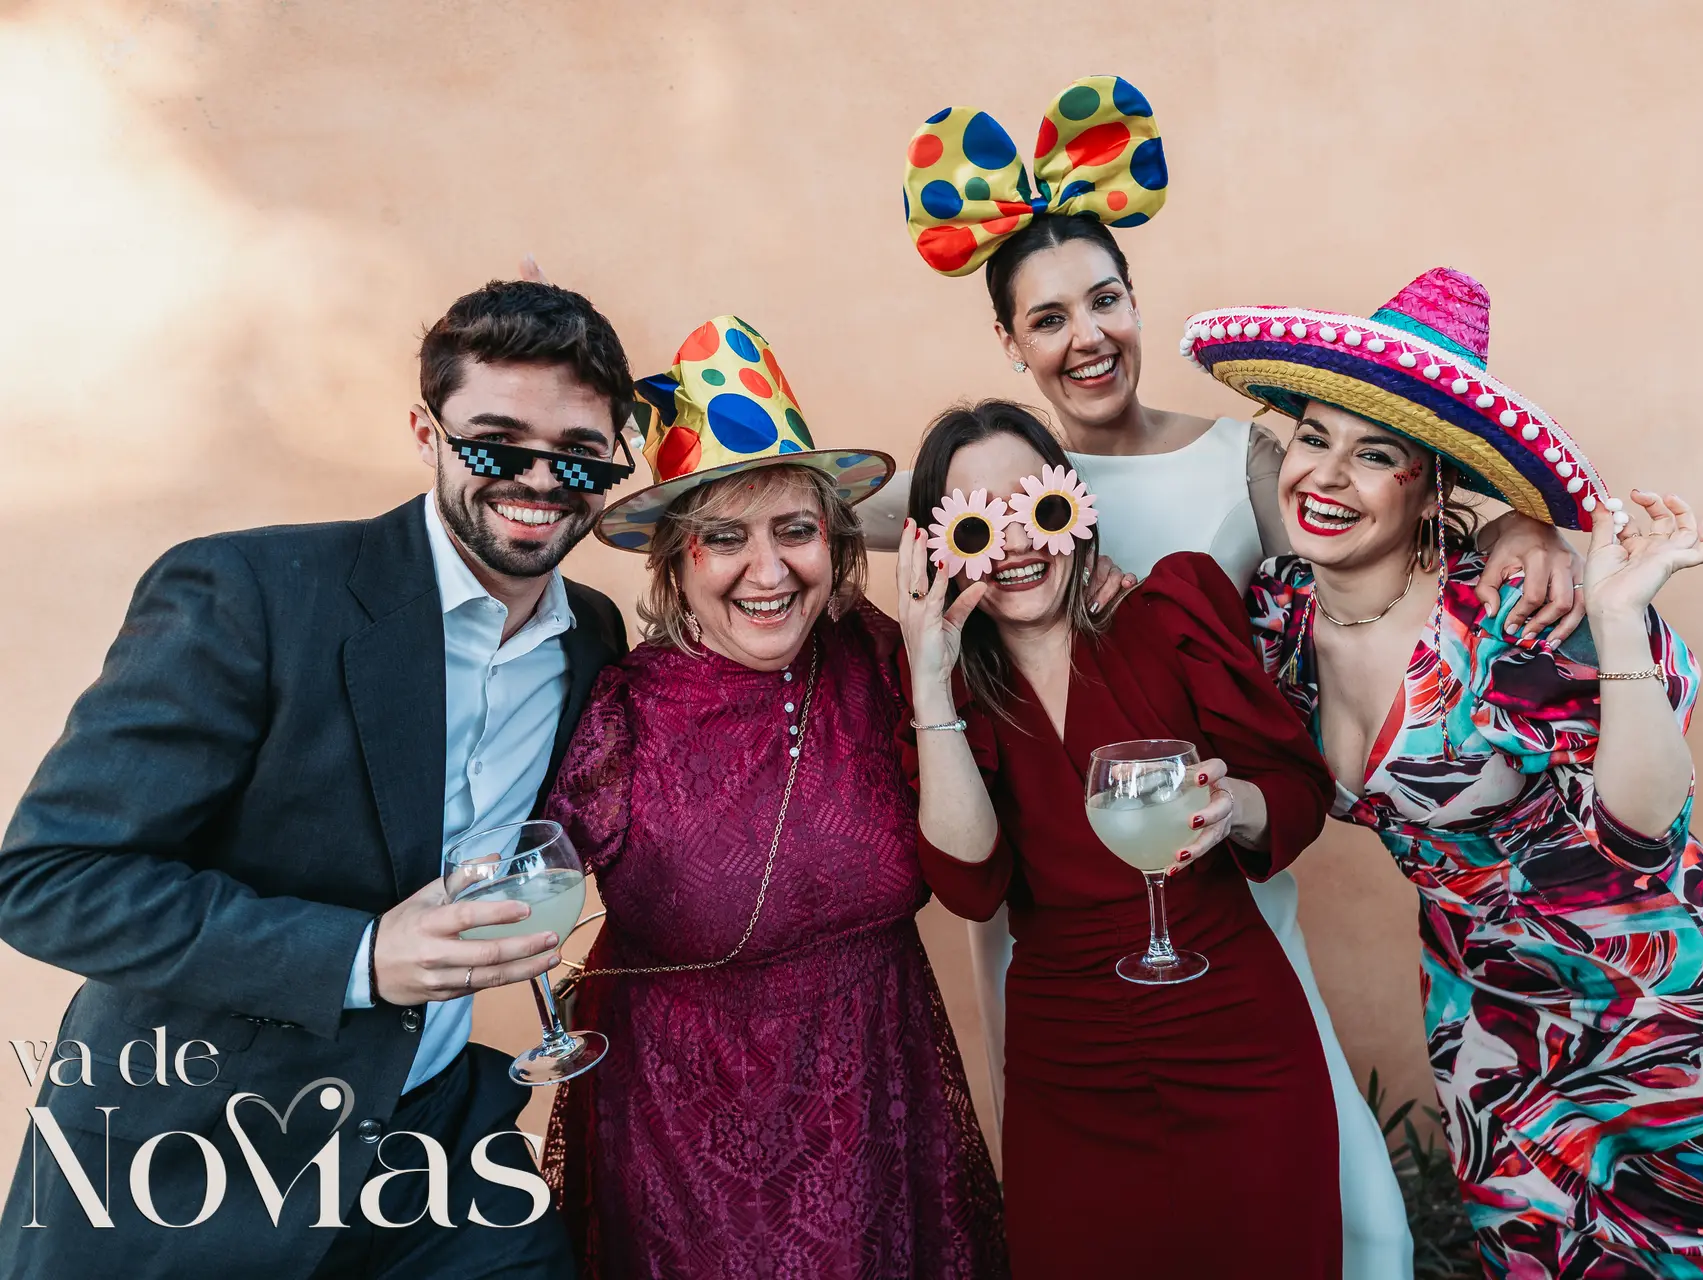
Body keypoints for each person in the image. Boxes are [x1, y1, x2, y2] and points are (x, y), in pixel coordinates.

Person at [883, 75, 1575, 1276]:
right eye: (1048, 317)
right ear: (1010, 342)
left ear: (1134, 300)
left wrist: (1518, 522)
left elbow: (1374, 503)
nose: (1086, 335)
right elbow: (821, 514)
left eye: (1105, 299)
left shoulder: (1241, 463)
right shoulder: (986, 494)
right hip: (1057, 936)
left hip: (1220, 895)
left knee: (1343, 1216)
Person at [1190, 266, 1703, 1274]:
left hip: (1644, 984)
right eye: (1315, 438)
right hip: (1483, 1004)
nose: (1328, 475)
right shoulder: (1277, 614)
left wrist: (1616, 616)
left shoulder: (1510, 616)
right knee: (1533, 1250)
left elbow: (1645, 831)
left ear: (1431, 483)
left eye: (1377, 454)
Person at [0, 279, 638, 1278]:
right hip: (197, 1156)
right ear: (426, 433)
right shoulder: (247, 594)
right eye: (495, 443)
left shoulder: (591, 636)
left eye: (579, 453)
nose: (540, 478)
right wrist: (362, 956)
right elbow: (48, 879)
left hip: (435, 1144)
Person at [539, 317, 1006, 1279]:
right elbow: (511, 868)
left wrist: (933, 683)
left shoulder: (879, 656)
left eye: (796, 529)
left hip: (883, 1112)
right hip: (683, 1147)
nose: (769, 569)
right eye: (724, 537)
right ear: (675, 562)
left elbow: (976, 877)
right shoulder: (625, 709)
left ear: (834, 543)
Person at [896, 398, 1342, 1277]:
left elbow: (1296, 793)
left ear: (1074, 507)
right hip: (1069, 1066)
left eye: (1036, 506)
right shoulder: (950, 690)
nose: (1015, 541)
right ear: (943, 548)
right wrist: (931, 683)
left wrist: (1236, 805)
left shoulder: (1173, 608)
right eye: (980, 523)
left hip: (1235, 1032)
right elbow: (970, 885)